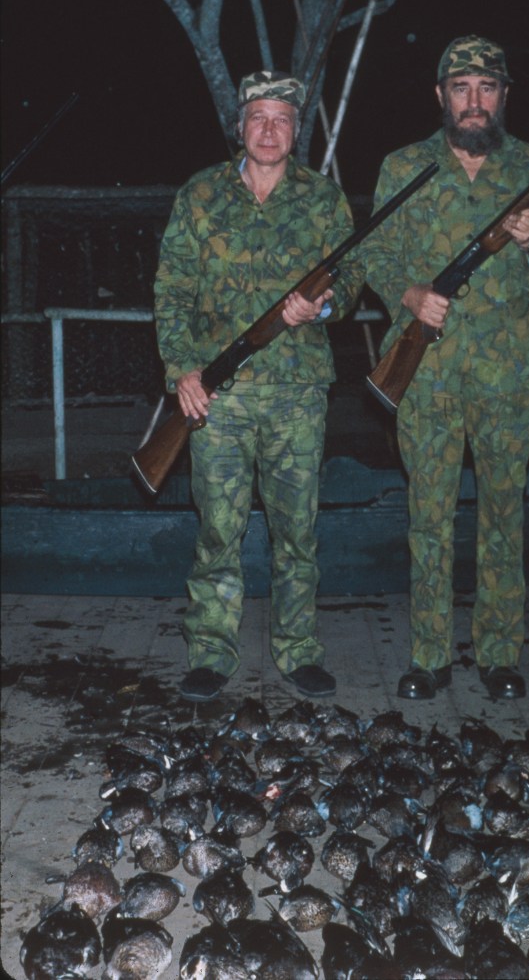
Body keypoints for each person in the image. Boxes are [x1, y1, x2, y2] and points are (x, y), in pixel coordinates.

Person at [362, 35, 529, 701]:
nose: (474, 101)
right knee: (428, 514)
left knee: (502, 511)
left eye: (487, 88)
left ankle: (499, 657)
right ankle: (429, 657)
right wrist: (411, 295)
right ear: (441, 97)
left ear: (504, 96)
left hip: (511, 374)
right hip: (425, 372)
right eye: (461, 88)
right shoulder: (404, 167)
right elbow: (372, 256)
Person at [153, 71, 364, 702]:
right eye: (258, 118)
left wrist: (322, 307)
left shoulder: (324, 199)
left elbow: (352, 277)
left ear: (297, 131)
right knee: (219, 528)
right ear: (240, 127)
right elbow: (172, 290)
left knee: (296, 529)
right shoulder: (200, 195)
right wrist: (182, 370)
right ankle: (211, 653)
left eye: (281, 119)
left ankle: (298, 651)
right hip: (219, 394)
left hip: (298, 391)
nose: (269, 130)